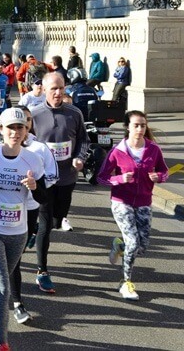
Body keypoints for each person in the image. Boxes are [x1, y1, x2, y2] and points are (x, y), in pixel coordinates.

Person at [0, 108, 46, 351]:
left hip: (17, 231)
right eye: (10, 128)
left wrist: (35, 186)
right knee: (3, 284)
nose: (15, 132)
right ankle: (2, 342)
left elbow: (44, 196)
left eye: (20, 127)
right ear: (1, 130)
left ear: (27, 131)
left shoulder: (33, 159)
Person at [98, 110, 168, 300]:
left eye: (143, 125)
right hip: (121, 202)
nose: (139, 129)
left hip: (144, 201)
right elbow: (102, 178)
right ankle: (126, 282)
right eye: (136, 125)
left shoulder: (153, 149)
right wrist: (120, 178)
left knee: (142, 246)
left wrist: (159, 177)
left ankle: (118, 245)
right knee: (133, 242)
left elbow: (164, 171)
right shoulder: (118, 151)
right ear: (127, 127)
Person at [29, 72, 87, 293]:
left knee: (57, 220)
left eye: (61, 88)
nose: (58, 92)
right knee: (46, 225)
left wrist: (79, 157)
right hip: (45, 180)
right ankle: (42, 271)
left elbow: (83, 139)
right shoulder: (34, 114)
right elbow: (26, 143)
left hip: (67, 177)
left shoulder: (74, 113)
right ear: (44, 89)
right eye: (53, 88)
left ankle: (35, 230)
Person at [7, 106, 58, 325]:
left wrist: (37, 186)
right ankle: (17, 302)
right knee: (12, 260)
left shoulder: (40, 149)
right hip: (5, 211)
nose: (20, 128)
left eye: (25, 122)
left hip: (29, 209)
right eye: (14, 125)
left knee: (15, 256)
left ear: (29, 124)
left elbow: (53, 175)